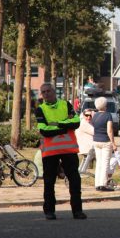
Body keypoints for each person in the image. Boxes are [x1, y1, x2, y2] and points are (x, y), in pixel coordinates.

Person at [36, 82, 86, 220]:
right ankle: (49, 211)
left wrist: (57, 124)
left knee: (75, 181)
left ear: (54, 91)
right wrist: (65, 126)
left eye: (48, 91)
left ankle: (77, 211)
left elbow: (76, 122)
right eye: (43, 92)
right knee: (49, 182)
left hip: (69, 150)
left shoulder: (66, 104)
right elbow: (44, 130)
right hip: (50, 152)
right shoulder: (40, 109)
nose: (46, 94)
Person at [91, 96, 115, 192]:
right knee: (105, 163)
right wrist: (113, 143)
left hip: (96, 140)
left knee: (99, 163)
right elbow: (109, 130)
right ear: (105, 105)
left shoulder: (95, 115)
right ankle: (103, 184)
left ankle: (97, 184)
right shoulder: (108, 115)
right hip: (105, 141)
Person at [76, 109, 95, 177]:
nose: (89, 117)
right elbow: (95, 132)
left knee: (85, 159)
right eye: (87, 115)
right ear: (83, 115)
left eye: (90, 115)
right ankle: (82, 172)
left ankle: (80, 172)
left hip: (87, 147)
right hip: (87, 147)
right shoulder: (84, 123)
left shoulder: (86, 123)